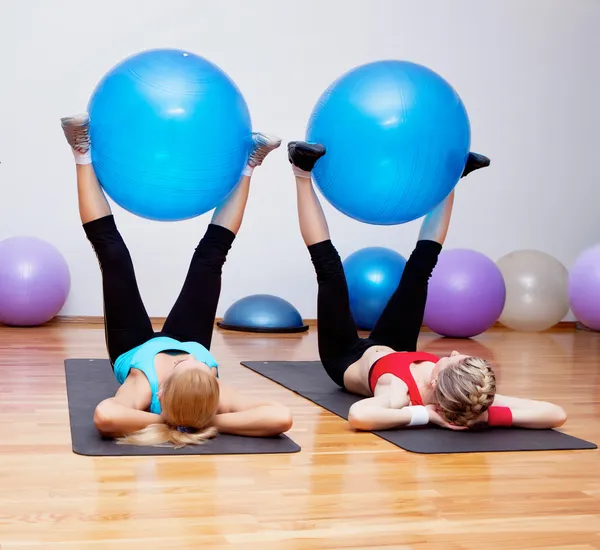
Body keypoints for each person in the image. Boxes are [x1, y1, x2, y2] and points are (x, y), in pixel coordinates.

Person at [288, 141, 567, 431]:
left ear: (436, 382)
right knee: (420, 269)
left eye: (455, 361)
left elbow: (360, 415)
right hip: (397, 348)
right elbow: (554, 413)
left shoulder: (398, 391)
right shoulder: (471, 395)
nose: (455, 353)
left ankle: (301, 171)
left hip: (345, 357)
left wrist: (427, 415)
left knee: (329, 270)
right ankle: (452, 179)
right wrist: (483, 415)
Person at [61, 113, 292, 447]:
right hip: (189, 339)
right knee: (210, 259)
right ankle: (249, 165)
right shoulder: (206, 379)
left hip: (135, 348)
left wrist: (168, 420)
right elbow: (280, 416)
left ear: (164, 388)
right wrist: (202, 420)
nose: (189, 359)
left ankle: (80, 152)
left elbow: (106, 417)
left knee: (113, 257)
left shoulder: (144, 385)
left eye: (184, 366)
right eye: (200, 366)